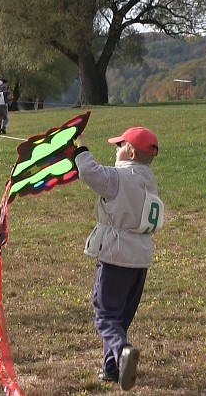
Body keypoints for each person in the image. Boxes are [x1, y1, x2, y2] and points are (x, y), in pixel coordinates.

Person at [74, 126, 164, 391]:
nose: (115, 149)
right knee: (120, 317)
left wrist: (81, 147)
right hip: (140, 259)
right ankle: (112, 369)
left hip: (116, 255)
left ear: (132, 153)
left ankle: (122, 351)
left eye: (119, 145)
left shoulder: (119, 178)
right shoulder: (148, 179)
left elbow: (90, 173)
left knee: (104, 315)